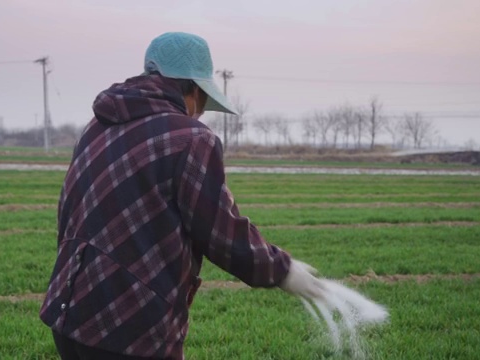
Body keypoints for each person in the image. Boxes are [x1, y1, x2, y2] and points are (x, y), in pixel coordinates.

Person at [40, 32, 324, 360]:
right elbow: (220, 232)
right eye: (203, 98)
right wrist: (282, 271)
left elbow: (68, 210)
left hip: (69, 312)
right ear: (189, 88)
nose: (201, 112)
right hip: (130, 329)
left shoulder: (96, 126)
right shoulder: (190, 138)